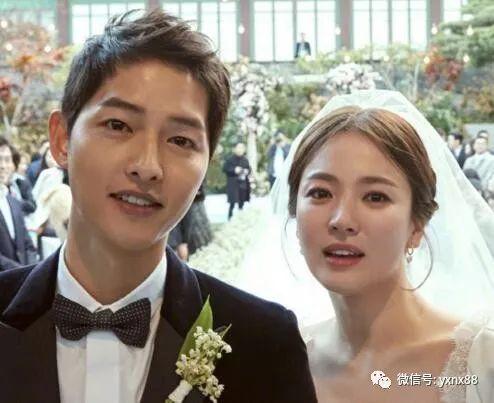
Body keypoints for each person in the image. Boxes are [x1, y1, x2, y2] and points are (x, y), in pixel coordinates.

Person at [0, 10, 316, 403]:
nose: (147, 166)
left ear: (206, 164)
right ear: (62, 139)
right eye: (118, 125)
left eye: (181, 141)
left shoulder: (264, 344)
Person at [270, 90, 494, 402]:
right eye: (320, 193)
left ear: (417, 225)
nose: (341, 220)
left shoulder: (482, 363)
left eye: (375, 197)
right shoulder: (282, 362)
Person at [0, 136, 38, 270]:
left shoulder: (14, 202)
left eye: (7, 160)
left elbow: (28, 244)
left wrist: (32, 271)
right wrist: (20, 272)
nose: (2, 166)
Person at [223, 142, 251, 219]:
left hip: (243, 184)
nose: (240, 150)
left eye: (242, 148)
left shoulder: (245, 160)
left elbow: (249, 169)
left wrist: (247, 171)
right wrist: (234, 170)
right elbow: (225, 169)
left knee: (241, 203)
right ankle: (230, 218)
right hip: (233, 184)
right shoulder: (230, 159)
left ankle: (240, 218)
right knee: (232, 203)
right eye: (238, 147)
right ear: (235, 149)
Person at [9, 147, 37, 215]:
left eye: (26, 164)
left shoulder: (24, 182)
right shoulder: (8, 181)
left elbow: (32, 206)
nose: (24, 167)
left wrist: (16, 201)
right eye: (21, 164)